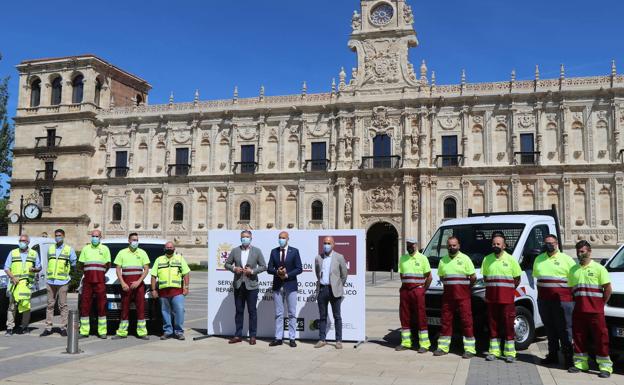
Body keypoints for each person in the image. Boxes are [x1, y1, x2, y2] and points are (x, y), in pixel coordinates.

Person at [567, 240, 613, 378]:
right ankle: (580, 364)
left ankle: (605, 367)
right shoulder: (573, 270)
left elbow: (608, 289)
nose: (580, 254)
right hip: (579, 310)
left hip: (595, 311)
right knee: (579, 337)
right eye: (578, 251)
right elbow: (571, 290)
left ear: (589, 251)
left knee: (601, 338)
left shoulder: (599, 268)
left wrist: (601, 304)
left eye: (583, 251)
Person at [532, 234, 575, 367]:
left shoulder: (567, 259)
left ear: (556, 243)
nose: (548, 245)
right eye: (546, 243)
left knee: (565, 329)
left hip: (563, 301)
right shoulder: (539, 259)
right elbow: (537, 278)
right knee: (549, 328)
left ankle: (568, 358)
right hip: (544, 300)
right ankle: (553, 355)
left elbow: (575, 280)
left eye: (551, 243)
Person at [434, 236, 477, 358]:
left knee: (467, 321)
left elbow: (473, 277)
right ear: (447, 246)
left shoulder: (465, 259)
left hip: (463, 297)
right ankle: (443, 347)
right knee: (446, 322)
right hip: (448, 298)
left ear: (459, 246)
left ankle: (470, 349)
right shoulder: (443, 261)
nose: (452, 247)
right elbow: (442, 277)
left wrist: (465, 288)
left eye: (454, 245)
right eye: (449, 245)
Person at [482, 234, 521, 363]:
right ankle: (494, 351)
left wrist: (507, 290)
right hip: (492, 299)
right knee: (493, 325)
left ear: (504, 246)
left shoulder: (511, 260)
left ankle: (510, 353)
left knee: (508, 325)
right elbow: (485, 277)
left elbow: (517, 279)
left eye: (498, 244)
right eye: (494, 244)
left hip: (506, 299)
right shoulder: (487, 259)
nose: (496, 246)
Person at [225, 230, 266, 345]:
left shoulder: (257, 251)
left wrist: (252, 271)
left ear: (251, 238)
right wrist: (234, 269)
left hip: (252, 286)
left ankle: (253, 336)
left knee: (252, 311)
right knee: (239, 311)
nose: (245, 239)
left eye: (247, 237)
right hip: (239, 285)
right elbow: (227, 264)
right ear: (240, 238)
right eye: (243, 237)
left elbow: (264, 266)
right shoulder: (235, 250)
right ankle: (238, 335)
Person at [112, 233, 150, 340]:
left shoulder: (142, 253)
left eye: (137, 240)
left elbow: (146, 269)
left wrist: (138, 282)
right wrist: (123, 283)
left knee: (141, 309)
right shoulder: (122, 253)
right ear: (129, 240)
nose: (135, 242)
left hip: (139, 285)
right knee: (124, 309)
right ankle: (122, 332)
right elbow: (118, 269)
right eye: (133, 240)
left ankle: (142, 333)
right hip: (126, 285)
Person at [396, 237, 431, 352]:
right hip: (405, 290)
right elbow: (402, 275)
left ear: (416, 245)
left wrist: (423, 290)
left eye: (411, 245)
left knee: (421, 316)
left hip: (418, 290)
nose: (409, 247)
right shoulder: (403, 258)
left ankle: (424, 344)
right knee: (404, 316)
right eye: (407, 245)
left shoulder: (423, 258)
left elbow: (429, 277)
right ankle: (406, 342)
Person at [267, 231, 302, 347]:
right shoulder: (274, 251)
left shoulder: (295, 251)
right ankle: (278, 338)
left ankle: (292, 338)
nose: (281, 239)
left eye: (283, 238)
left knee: (292, 313)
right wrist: (277, 272)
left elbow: (299, 268)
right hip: (278, 285)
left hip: (291, 285)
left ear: (288, 239)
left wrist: (287, 275)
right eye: (279, 238)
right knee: (278, 313)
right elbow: (269, 268)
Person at [40, 229, 77, 337]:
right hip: (50, 281)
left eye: (59, 235)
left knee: (63, 305)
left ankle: (63, 327)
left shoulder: (69, 249)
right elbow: (49, 261)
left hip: (63, 281)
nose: (57, 237)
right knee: (50, 305)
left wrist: (69, 277)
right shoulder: (51, 248)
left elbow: (73, 264)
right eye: (56, 235)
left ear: (64, 236)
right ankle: (48, 328)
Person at [314, 236, 348, 349]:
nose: (326, 245)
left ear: (333, 245)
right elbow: (317, 272)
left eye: (328, 243)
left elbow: (344, 275)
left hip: (334, 290)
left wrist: (338, 285)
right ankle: (322, 339)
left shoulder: (339, 257)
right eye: (324, 243)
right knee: (322, 316)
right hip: (322, 290)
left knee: (337, 316)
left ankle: (338, 340)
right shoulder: (318, 258)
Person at [151, 241, 190, 340]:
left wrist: (186, 287)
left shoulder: (180, 259)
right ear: (164, 249)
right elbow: (153, 276)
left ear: (174, 248)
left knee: (179, 311)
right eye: (167, 247)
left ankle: (179, 332)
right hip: (163, 292)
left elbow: (186, 273)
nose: (169, 249)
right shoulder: (159, 260)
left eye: (171, 247)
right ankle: (167, 331)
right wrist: (153, 289)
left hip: (177, 291)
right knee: (165, 312)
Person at [4, 234, 41, 336]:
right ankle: (10, 328)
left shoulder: (34, 253)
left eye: (24, 241)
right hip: (14, 284)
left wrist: (34, 269)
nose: (22, 242)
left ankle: (24, 327)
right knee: (12, 307)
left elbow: (39, 267)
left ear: (28, 242)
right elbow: (6, 268)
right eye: (20, 240)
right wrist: (12, 277)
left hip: (26, 285)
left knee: (26, 306)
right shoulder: (13, 253)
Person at [78, 229, 111, 339]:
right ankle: (84, 331)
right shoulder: (85, 249)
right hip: (88, 281)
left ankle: (102, 332)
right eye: (93, 236)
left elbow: (108, 265)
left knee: (102, 305)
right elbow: (81, 265)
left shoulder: (105, 249)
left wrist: (100, 274)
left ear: (100, 237)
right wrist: (88, 274)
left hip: (100, 281)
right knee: (85, 305)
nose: (95, 238)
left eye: (97, 236)